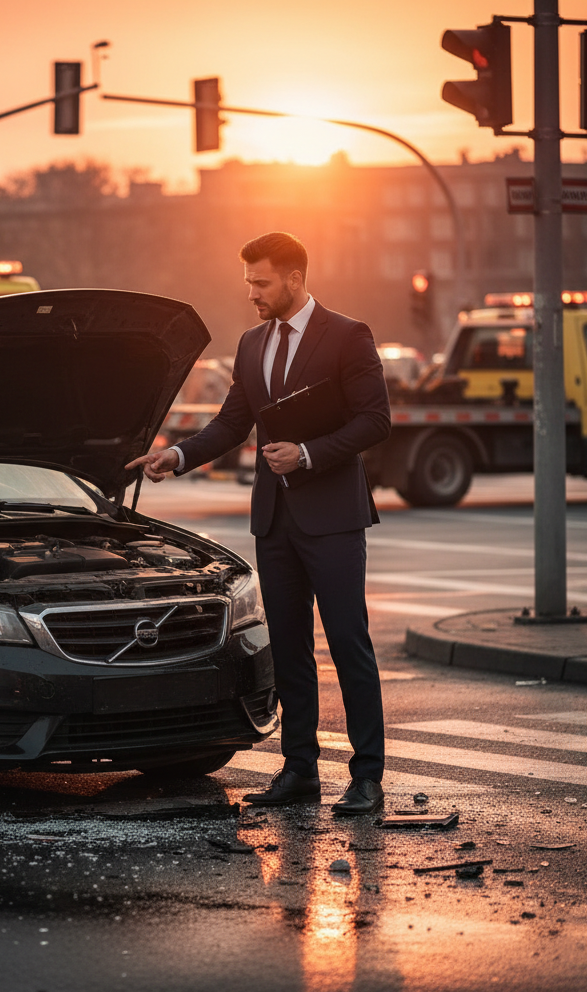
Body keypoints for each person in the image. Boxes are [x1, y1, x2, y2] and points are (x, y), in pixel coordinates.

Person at [127, 232, 391, 814]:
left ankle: (367, 777)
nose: (252, 293)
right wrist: (178, 456)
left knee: (348, 643)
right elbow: (231, 423)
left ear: (294, 278)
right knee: (289, 649)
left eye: (261, 282)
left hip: (333, 518)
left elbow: (376, 420)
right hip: (274, 520)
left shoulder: (348, 335)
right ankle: (299, 770)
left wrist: (309, 454)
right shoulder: (251, 344)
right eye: (248, 282)